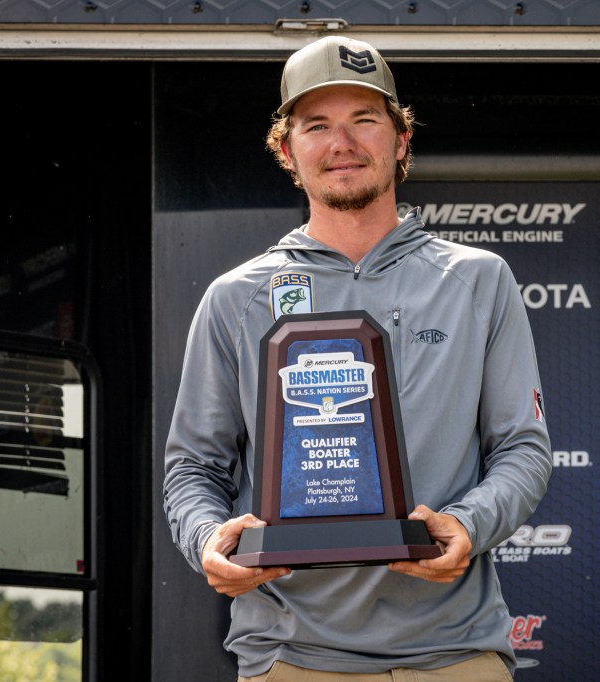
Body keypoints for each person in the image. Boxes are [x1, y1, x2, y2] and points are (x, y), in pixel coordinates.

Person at [163, 35, 552, 682]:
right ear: (287, 150)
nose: (341, 143)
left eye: (364, 120)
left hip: (456, 654)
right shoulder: (236, 297)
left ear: (401, 140)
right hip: (290, 658)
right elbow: (192, 468)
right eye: (317, 125)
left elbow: (523, 448)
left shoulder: (478, 279)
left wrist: (466, 524)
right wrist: (207, 538)